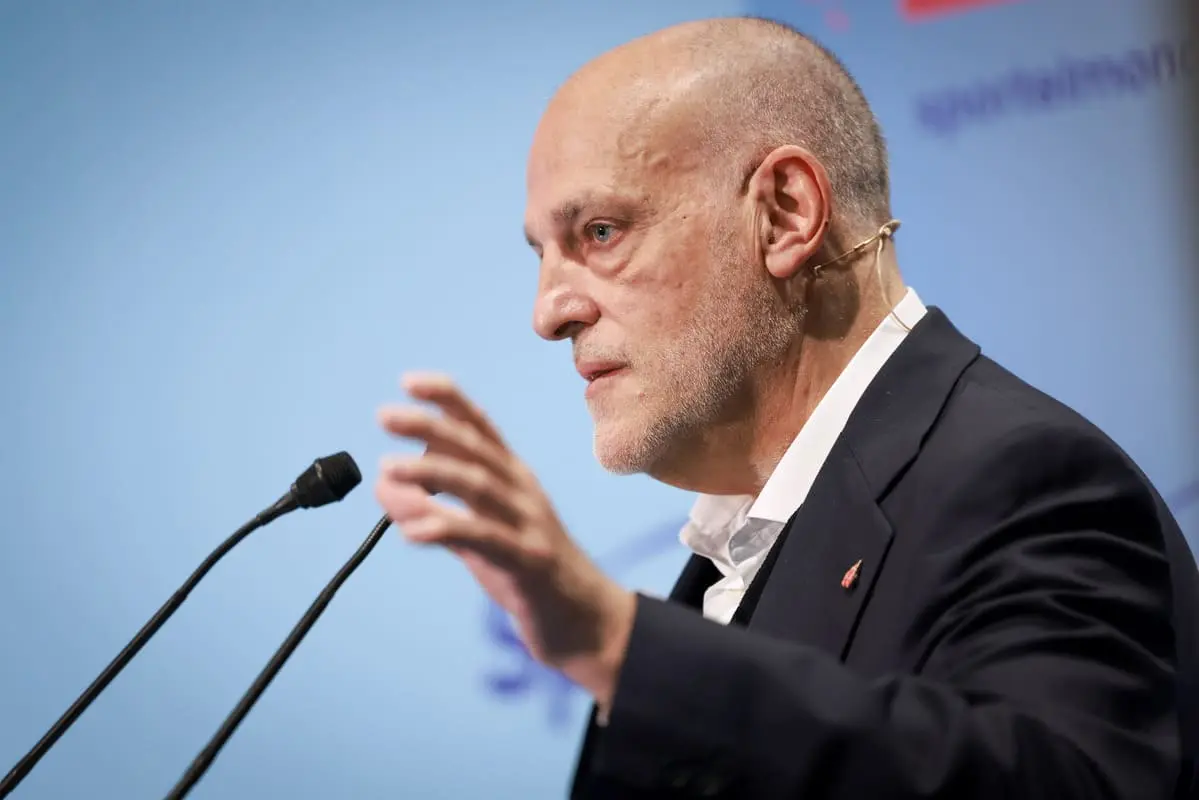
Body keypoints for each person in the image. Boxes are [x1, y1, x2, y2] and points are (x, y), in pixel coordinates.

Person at [373, 15, 1198, 799]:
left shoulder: (1021, 478)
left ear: (784, 214)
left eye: (597, 232)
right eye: (541, 254)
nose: (548, 312)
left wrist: (616, 644)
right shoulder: (726, 566)